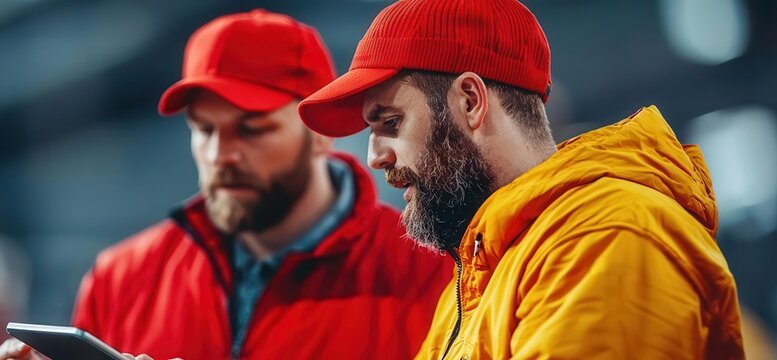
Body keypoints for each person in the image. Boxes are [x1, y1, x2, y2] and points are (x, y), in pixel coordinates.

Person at [0, 9, 450, 360]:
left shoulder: (429, 276)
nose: (220, 154)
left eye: (251, 129)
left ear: (318, 133)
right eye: (204, 129)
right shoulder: (122, 279)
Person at [297, 0, 745, 359]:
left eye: (390, 123)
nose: (374, 157)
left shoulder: (606, 234)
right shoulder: (483, 278)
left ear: (470, 101)